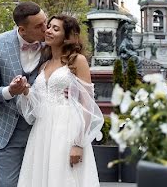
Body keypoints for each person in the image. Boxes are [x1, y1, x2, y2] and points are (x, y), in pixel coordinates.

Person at [16, 14, 102, 187]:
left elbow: (87, 103)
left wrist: (79, 143)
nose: (48, 31)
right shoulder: (44, 65)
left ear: (67, 36)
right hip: (42, 130)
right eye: (49, 27)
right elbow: (37, 106)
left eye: (56, 29)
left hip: (66, 129)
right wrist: (25, 91)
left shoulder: (78, 61)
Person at [0, 1, 48, 187]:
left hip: (42, 129)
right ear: (22, 29)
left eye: (45, 21)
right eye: (39, 26)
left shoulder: (52, 44)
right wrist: (9, 91)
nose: (46, 28)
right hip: (7, 132)